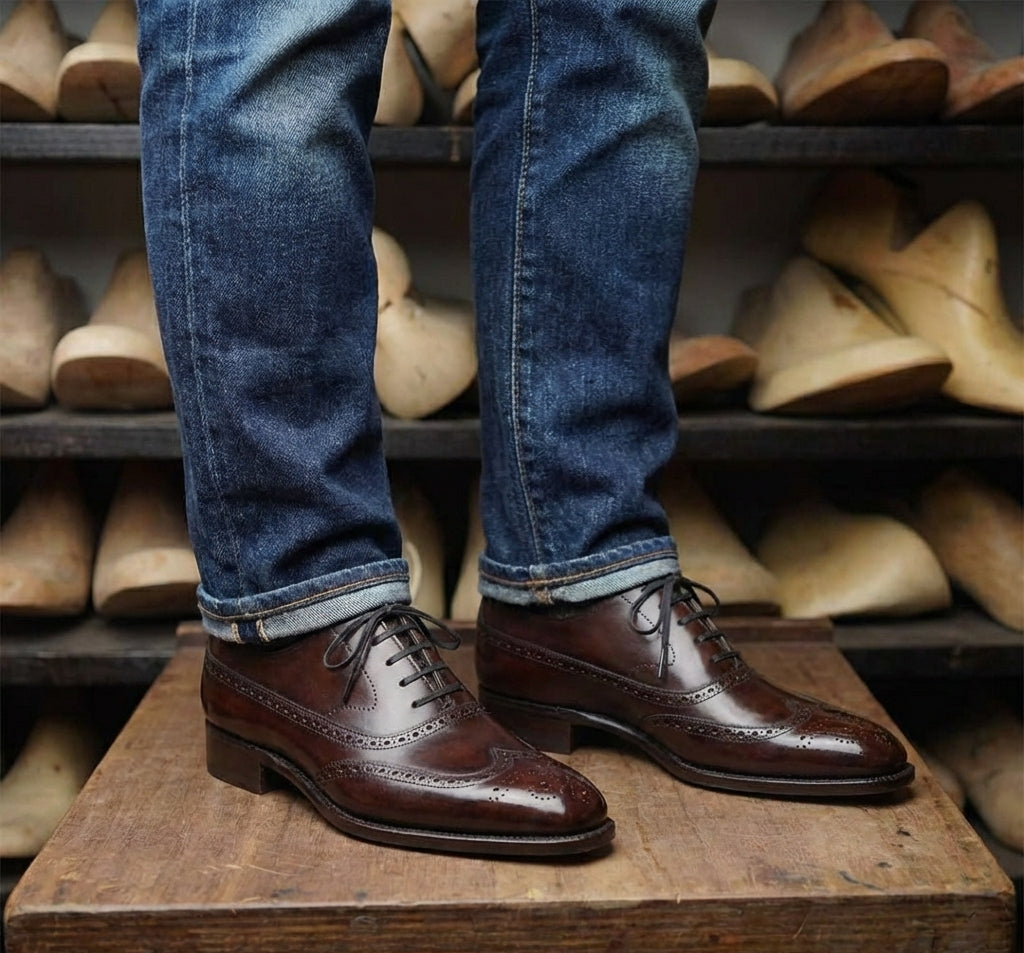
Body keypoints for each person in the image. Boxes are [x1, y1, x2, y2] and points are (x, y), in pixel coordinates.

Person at [136, 0, 913, 858]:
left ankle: (577, 592)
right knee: (276, 25)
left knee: (620, 20)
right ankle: (292, 620)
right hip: (281, 620)